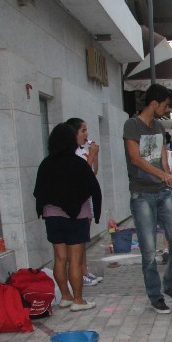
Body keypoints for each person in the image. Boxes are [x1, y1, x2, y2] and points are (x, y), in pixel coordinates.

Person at [123, 83, 172, 314]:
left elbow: (161, 160)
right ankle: (155, 295)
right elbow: (136, 159)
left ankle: (170, 285)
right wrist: (162, 175)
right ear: (154, 103)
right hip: (141, 195)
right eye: (165, 105)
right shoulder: (132, 125)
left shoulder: (158, 127)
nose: (166, 109)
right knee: (149, 250)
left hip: (162, 192)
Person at [34, 123, 101, 312]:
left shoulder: (46, 164)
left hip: (52, 215)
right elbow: (91, 186)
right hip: (76, 216)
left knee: (60, 258)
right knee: (75, 259)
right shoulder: (77, 163)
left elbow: (38, 191)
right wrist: (96, 214)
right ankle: (78, 300)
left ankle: (65, 296)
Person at [65, 117, 103, 286]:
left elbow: (93, 172)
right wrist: (92, 155)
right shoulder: (71, 153)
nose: (87, 134)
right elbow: (81, 174)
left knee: (84, 237)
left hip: (86, 199)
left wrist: (95, 156)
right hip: (76, 201)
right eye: (83, 130)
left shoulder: (83, 150)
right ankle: (78, 273)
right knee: (77, 241)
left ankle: (84, 270)